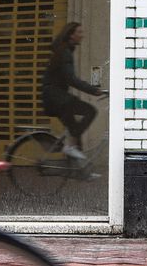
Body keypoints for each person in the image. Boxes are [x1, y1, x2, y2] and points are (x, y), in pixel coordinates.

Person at [40, 22, 106, 162]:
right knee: (90, 111)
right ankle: (70, 148)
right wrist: (94, 90)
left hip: (54, 98)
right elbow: (71, 79)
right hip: (57, 98)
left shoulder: (63, 50)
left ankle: (80, 170)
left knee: (74, 130)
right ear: (71, 35)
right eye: (79, 32)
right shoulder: (65, 53)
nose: (82, 36)